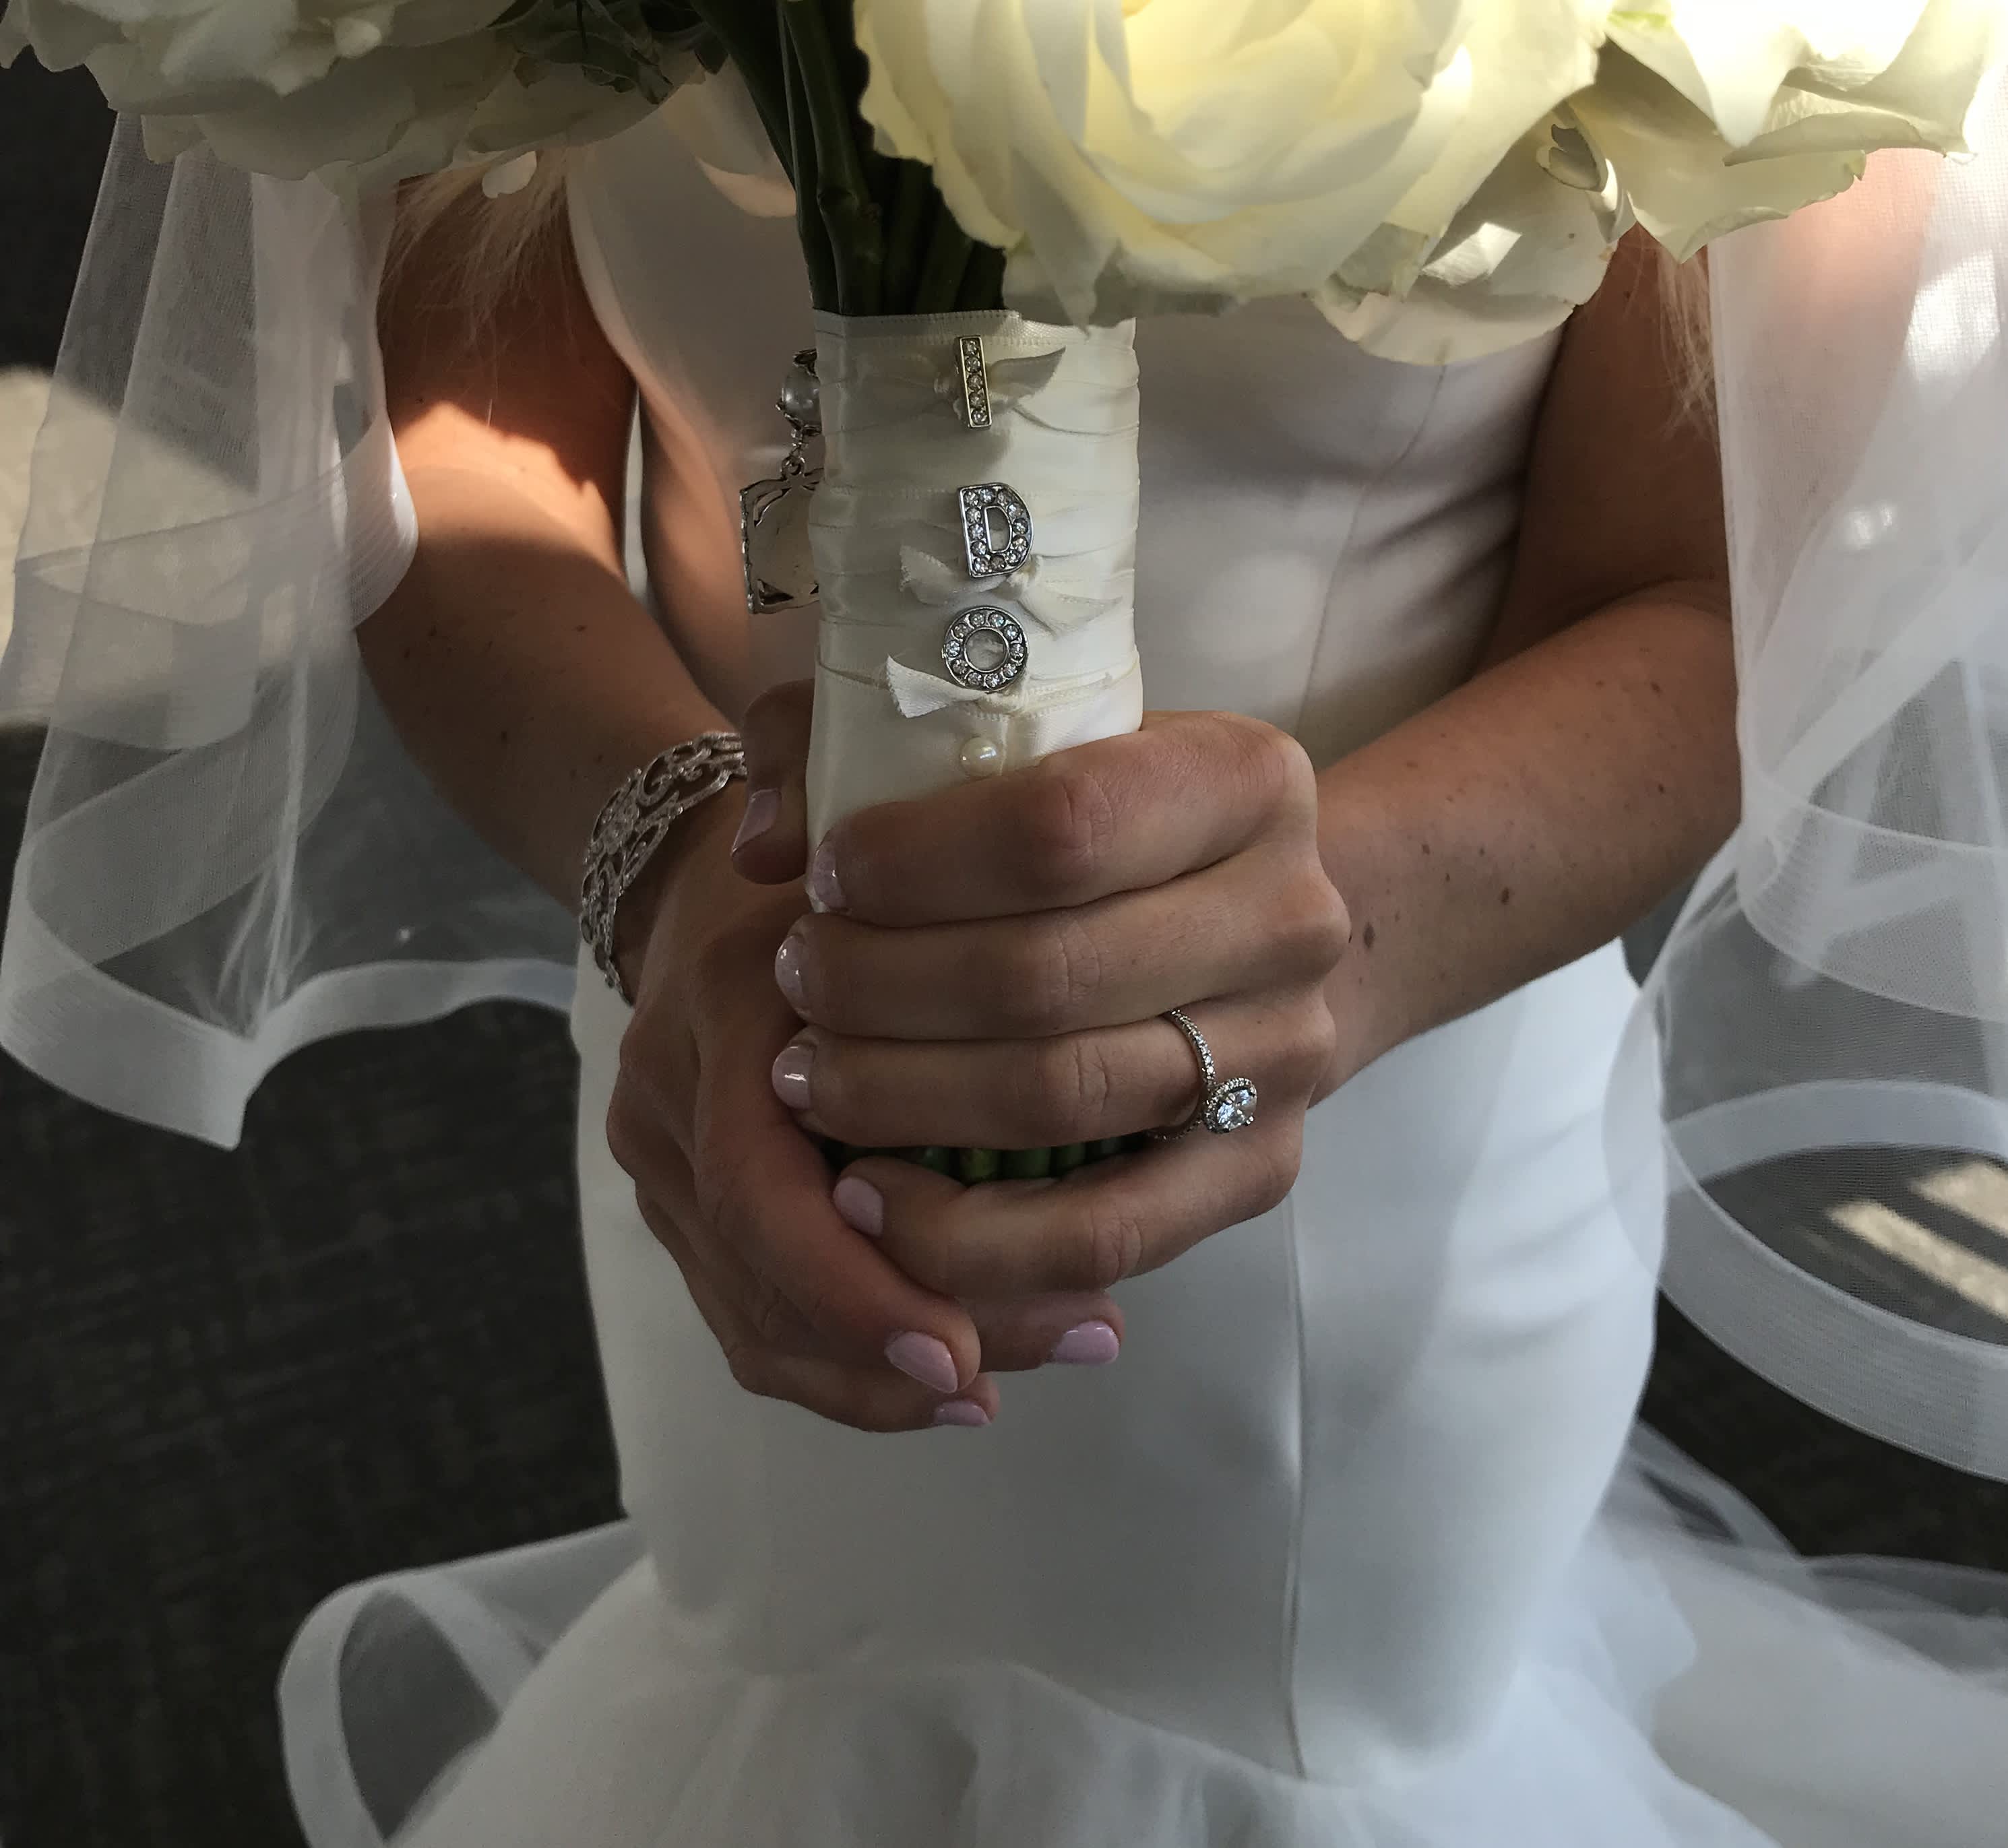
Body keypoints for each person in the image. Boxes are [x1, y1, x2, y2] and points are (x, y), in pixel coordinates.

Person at [9, 89, 2008, 1848]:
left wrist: (1304, 956)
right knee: (796, 1671)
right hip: (753, 1046)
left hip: (1374, 1146)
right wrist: (682, 878)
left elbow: (1709, 585)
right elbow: (460, 464)